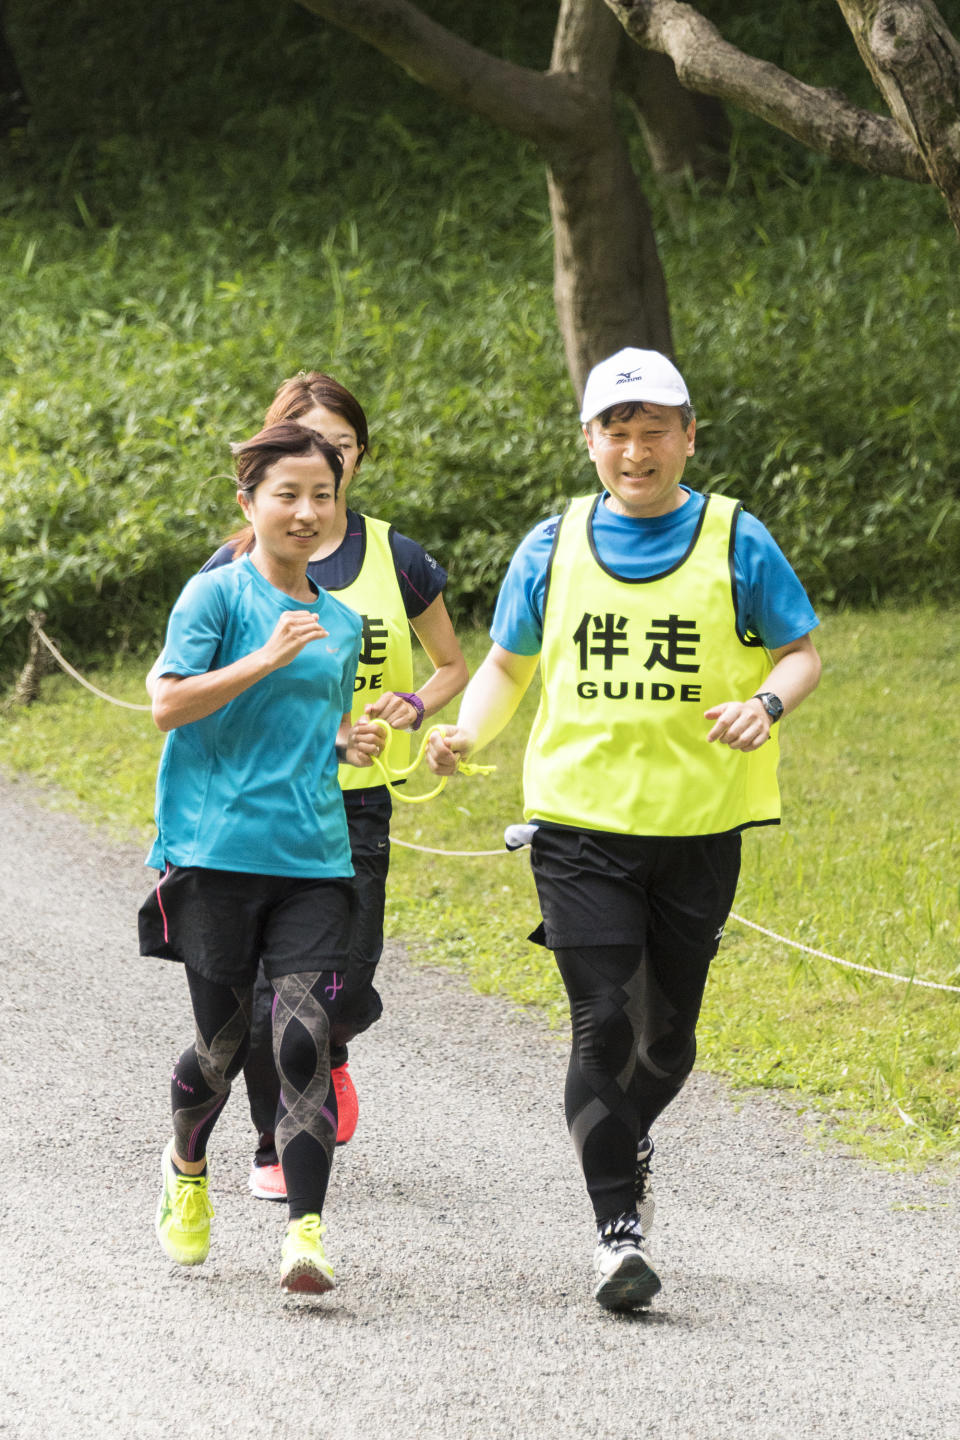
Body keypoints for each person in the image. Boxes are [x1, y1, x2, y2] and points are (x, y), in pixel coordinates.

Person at [427, 348, 821, 1312]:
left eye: (655, 430)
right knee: (602, 1020)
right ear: (590, 441)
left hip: (697, 828)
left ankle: (621, 1136)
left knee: (669, 1045)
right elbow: (508, 666)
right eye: (616, 430)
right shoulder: (550, 545)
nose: (635, 449)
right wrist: (465, 733)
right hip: (578, 827)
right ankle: (618, 1236)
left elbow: (800, 652)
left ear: (688, 436)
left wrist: (765, 704)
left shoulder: (736, 539)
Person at [196, 372, 468, 1201]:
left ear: (357, 456)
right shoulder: (235, 566)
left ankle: (335, 1045)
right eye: (308, 444)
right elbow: (194, 694)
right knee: (267, 993)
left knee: (340, 982)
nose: (328, 459)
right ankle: (274, 1147)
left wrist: (416, 706)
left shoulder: (397, 556)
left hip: (357, 799)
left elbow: (453, 664)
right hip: (263, 803)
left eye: (342, 447)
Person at [139, 421, 383, 1294]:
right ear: (249, 503)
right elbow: (168, 705)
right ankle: (186, 1163)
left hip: (314, 858)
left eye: (324, 495)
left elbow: (310, 728)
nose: (308, 511)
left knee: (304, 1039)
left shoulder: (344, 621)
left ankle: (305, 1234)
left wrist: (345, 741)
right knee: (222, 1043)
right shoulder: (215, 599)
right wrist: (263, 657)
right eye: (288, 494)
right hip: (212, 857)